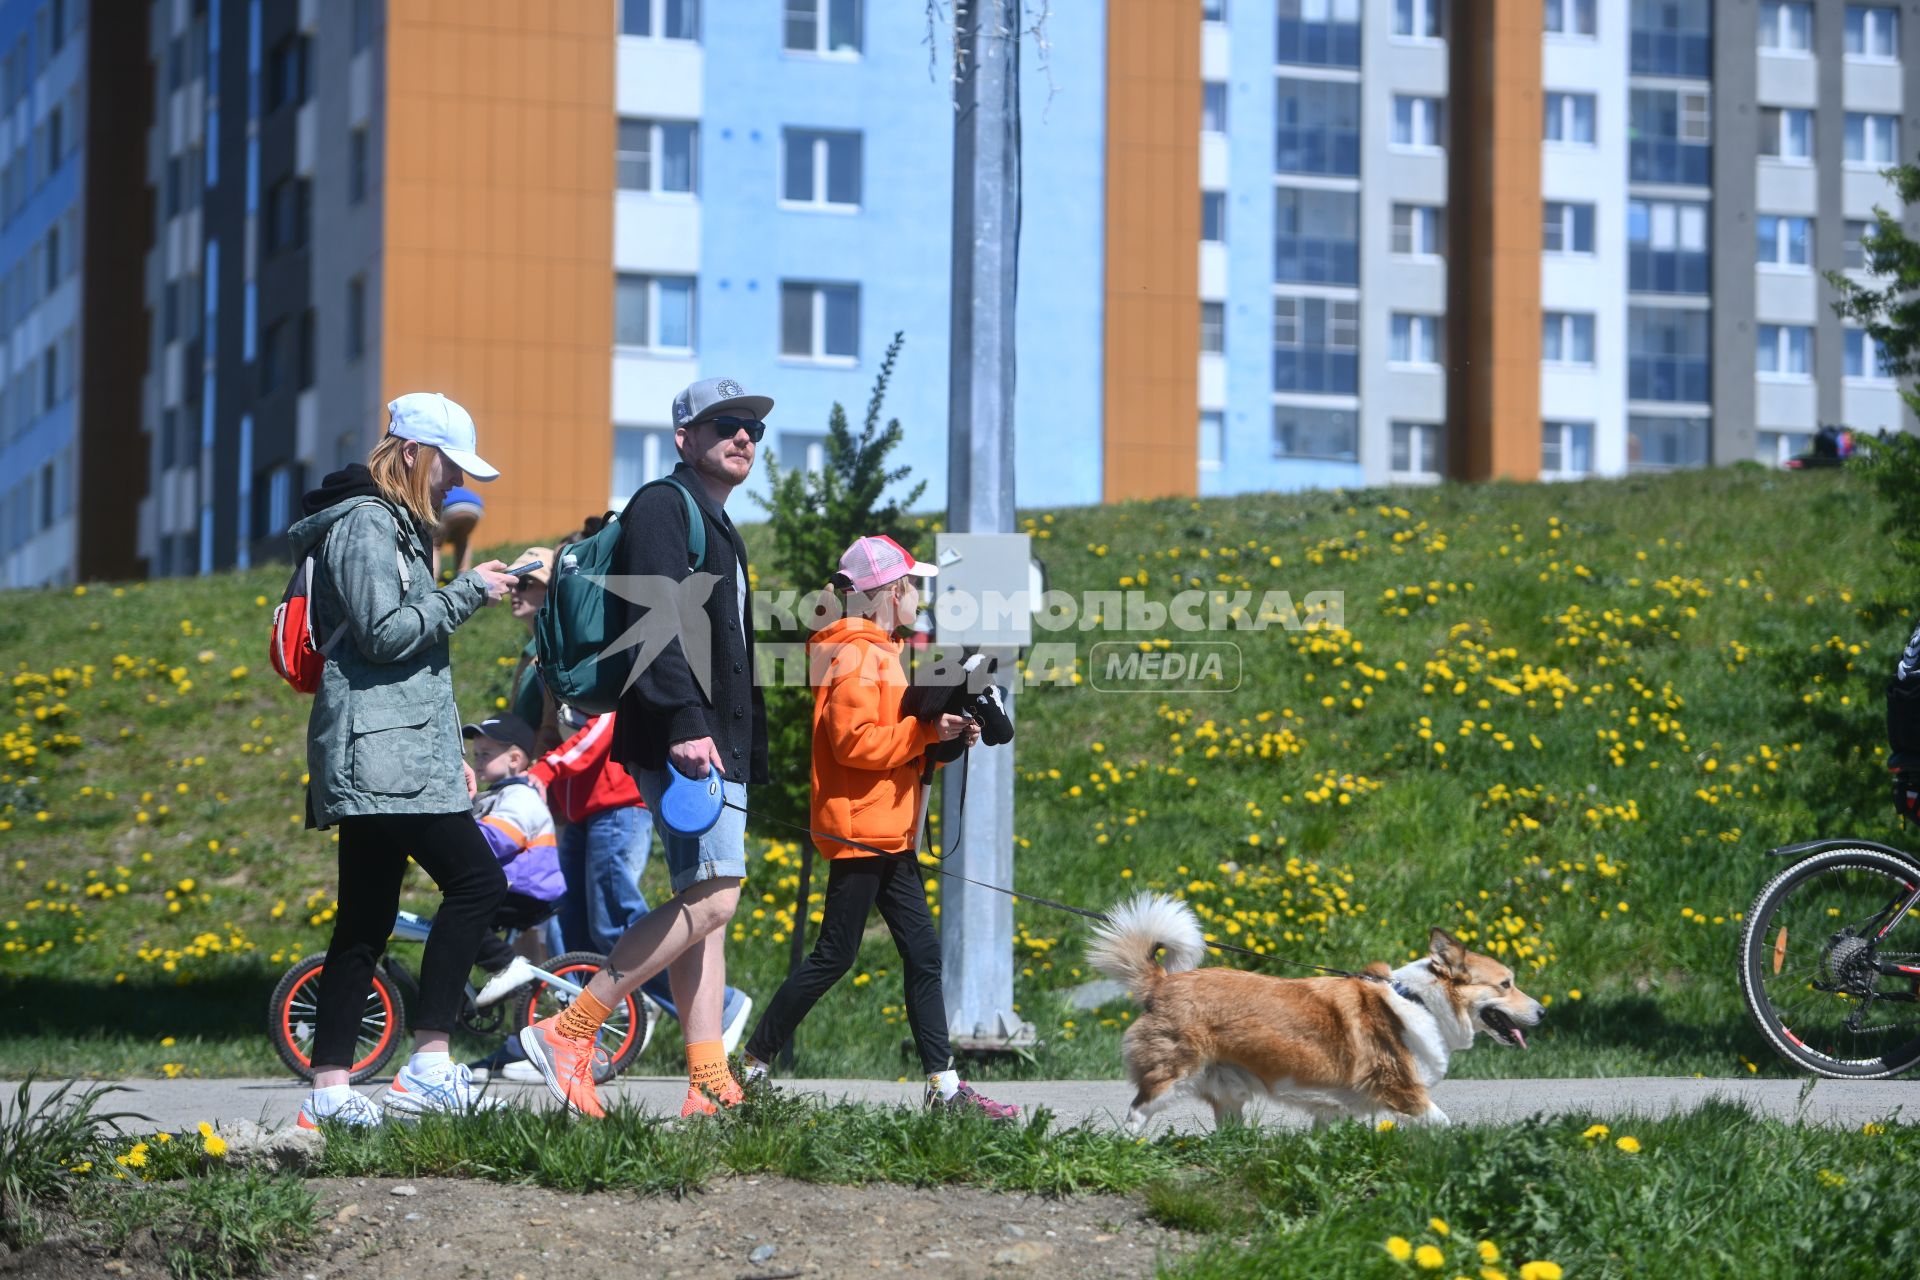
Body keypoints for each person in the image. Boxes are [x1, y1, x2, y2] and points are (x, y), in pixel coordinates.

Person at [520, 376, 770, 1119]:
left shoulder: (716, 522)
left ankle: (707, 1079)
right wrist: (688, 722)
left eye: (752, 428)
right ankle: (573, 1029)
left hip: (712, 741)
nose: (743, 437)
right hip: (684, 736)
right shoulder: (664, 506)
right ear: (684, 439)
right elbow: (652, 620)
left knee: (706, 903)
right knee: (716, 896)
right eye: (724, 423)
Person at [289, 392, 515, 1128]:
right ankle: (428, 1062)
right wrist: (469, 593)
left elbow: (406, 666)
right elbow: (386, 637)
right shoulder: (366, 524)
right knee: (477, 883)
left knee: (364, 919)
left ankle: (330, 1094)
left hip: (390, 747)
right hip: (380, 752)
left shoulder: (390, 526)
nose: (456, 484)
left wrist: (450, 751)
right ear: (414, 453)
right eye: (450, 465)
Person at [739, 536, 1016, 1118]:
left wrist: (941, 739)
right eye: (913, 584)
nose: (919, 594)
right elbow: (855, 745)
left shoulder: (881, 651)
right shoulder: (857, 655)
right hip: (860, 831)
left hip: (887, 830)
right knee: (834, 957)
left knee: (923, 954)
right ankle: (749, 1069)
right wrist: (925, 735)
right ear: (890, 593)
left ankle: (944, 1089)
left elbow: (893, 742)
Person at [463, 713, 565, 1007]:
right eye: (476, 754)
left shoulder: (520, 795)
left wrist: (453, 840)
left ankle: (505, 965)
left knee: (464, 920)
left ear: (515, 758)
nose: (478, 760)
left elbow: (500, 837)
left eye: (486, 754)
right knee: (458, 922)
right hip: (511, 886)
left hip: (525, 888)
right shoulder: (498, 794)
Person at [503, 546, 565, 757]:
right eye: (511, 582)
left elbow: (554, 727)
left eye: (523, 584)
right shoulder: (532, 649)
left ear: (550, 588)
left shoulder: (558, 651)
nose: (513, 591)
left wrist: (534, 773)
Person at [434, 485, 484, 580]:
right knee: (462, 540)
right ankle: (463, 577)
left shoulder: (441, 487)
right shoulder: (456, 487)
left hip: (451, 506)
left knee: (435, 544)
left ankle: (433, 577)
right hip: (475, 508)